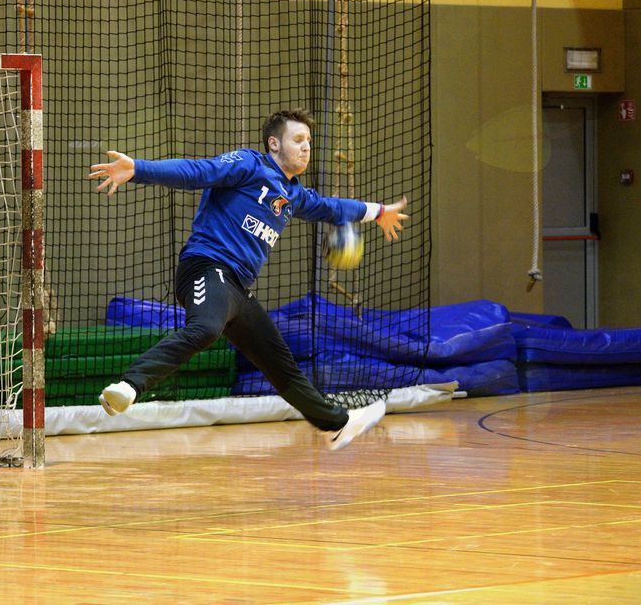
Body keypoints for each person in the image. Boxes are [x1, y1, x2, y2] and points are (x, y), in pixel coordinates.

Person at [89, 109, 409, 450]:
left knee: (279, 363)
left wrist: (378, 211)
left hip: (237, 288)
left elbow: (331, 208)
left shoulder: (293, 194)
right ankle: (128, 386)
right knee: (206, 328)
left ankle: (338, 424)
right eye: (298, 140)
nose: (306, 147)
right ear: (274, 143)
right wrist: (138, 169)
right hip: (206, 266)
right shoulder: (248, 164)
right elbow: (197, 172)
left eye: (309, 141)